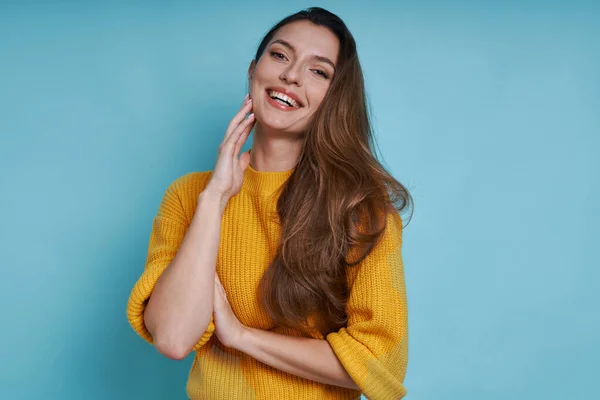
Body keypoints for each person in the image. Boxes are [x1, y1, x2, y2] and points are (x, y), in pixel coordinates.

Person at [126, 6, 413, 400]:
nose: (291, 75)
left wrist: (241, 336)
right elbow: (174, 338)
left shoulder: (359, 209)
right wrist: (214, 199)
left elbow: (379, 362)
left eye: (319, 71)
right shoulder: (189, 196)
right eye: (280, 55)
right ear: (252, 71)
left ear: (333, 97)